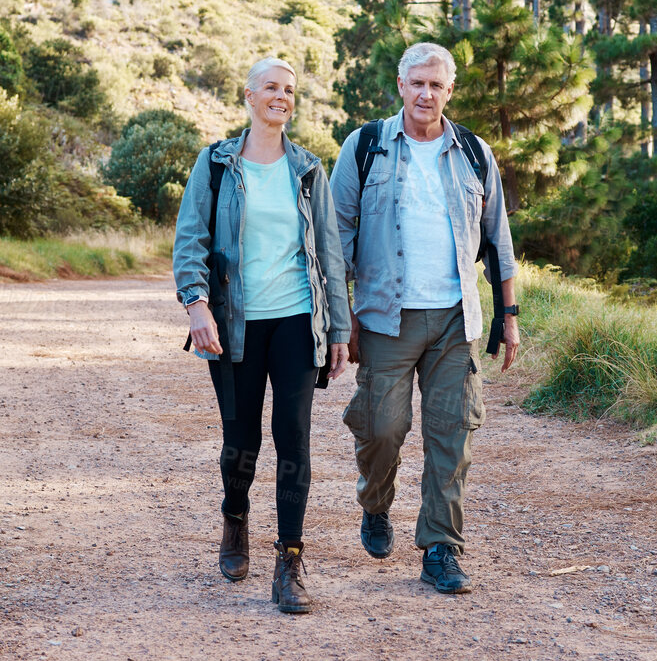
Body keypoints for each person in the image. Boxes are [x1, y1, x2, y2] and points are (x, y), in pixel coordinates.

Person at [330, 41, 520, 596]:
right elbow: (338, 239)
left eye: (436, 85)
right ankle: (376, 501)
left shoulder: (474, 153)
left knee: (451, 436)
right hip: (386, 318)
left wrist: (508, 316)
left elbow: (498, 242)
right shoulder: (365, 147)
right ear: (401, 86)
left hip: (455, 320)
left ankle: (441, 547)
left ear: (449, 91)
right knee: (381, 427)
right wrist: (342, 323)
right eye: (417, 82)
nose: (426, 93)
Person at [172, 57, 349, 614]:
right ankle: (235, 517)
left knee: (293, 435)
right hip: (235, 324)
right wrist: (196, 306)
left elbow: (329, 254)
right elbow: (190, 238)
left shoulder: (308, 169)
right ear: (248, 96)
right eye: (271, 88)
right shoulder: (217, 164)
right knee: (241, 441)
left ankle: (290, 559)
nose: (281, 97)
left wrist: (339, 328)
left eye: (289, 90)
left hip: (297, 318)